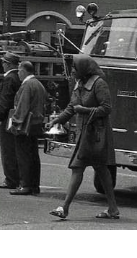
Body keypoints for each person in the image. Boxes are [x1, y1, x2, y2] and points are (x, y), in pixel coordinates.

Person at [47, 54, 119, 220]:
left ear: (83, 69)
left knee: (80, 168)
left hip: (96, 134)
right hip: (85, 134)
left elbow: (107, 108)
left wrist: (85, 110)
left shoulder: (99, 84)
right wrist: (57, 120)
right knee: (100, 169)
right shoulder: (79, 83)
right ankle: (113, 208)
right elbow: (72, 107)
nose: (72, 71)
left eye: (74, 68)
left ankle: (64, 208)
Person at [8, 61, 47, 196]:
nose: (18, 73)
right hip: (36, 123)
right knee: (33, 155)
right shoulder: (39, 84)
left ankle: (25, 185)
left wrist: (15, 122)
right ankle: (34, 185)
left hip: (26, 125)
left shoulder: (27, 85)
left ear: (24, 71)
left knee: (23, 155)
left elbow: (22, 106)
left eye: (19, 71)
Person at [0, 51, 22, 190]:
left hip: (7, 117)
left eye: (4, 63)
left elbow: (5, 100)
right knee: (13, 148)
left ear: (8, 64)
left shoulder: (9, 78)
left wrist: (0, 117)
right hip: (13, 116)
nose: (2, 65)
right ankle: (16, 177)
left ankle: (10, 179)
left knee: (7, 149)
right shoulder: (17, 76)